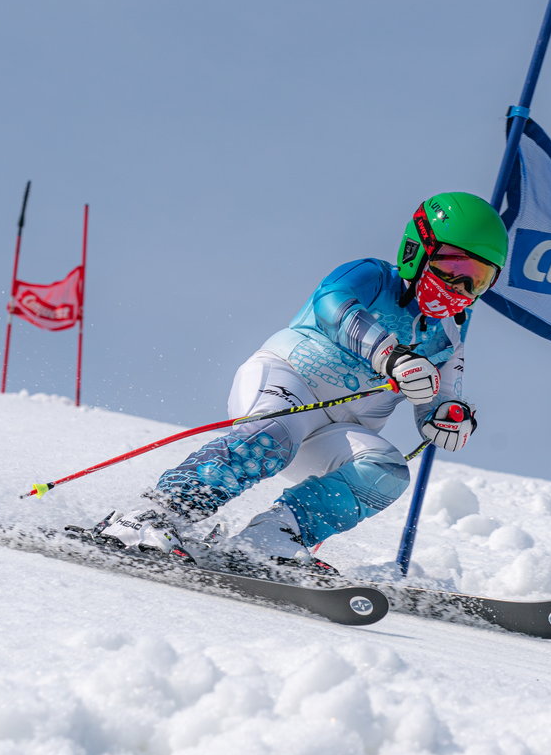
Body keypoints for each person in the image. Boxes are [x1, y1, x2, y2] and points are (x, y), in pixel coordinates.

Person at [90, 192, 509, 571]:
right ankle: (153, 516)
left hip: (341, 428)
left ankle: (271, 538)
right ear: (418, 248)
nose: (461, 287)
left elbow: (441, 394)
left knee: (388, 470)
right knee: (274, 433)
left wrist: (447, 416)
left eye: (479, 278)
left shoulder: (451, 330)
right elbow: (333, 307)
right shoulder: (371, 274)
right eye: (454, 266)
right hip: (288, 381)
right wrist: (390, 355)